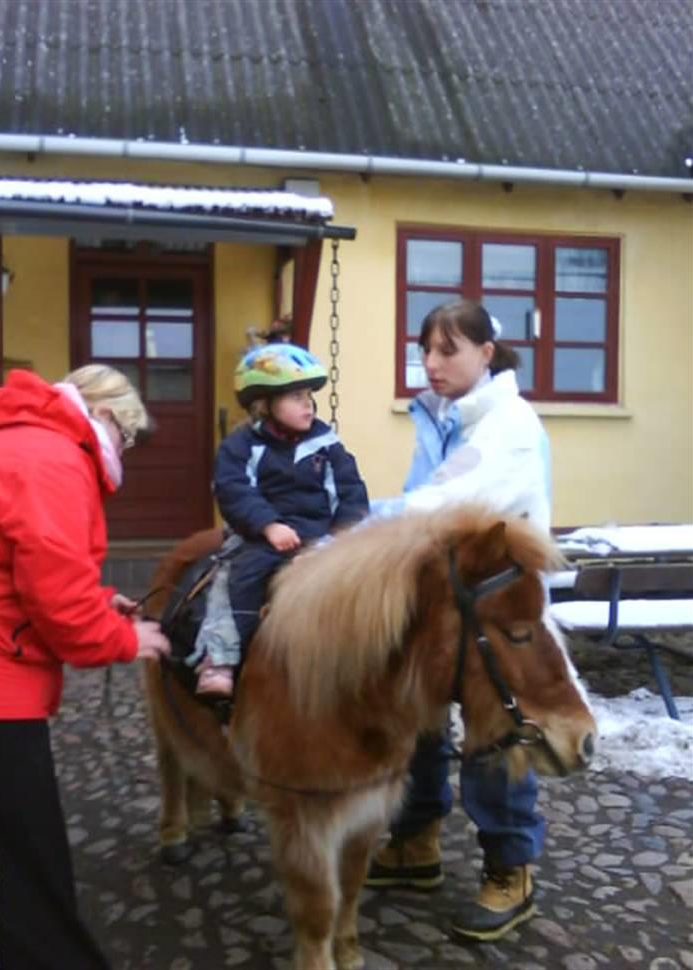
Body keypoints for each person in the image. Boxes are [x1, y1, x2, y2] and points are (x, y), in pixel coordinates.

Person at [0, 365, 170, 970]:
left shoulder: (5, 442)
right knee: (13, 861)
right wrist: (122, 637)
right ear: (105, 416)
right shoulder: (52, 458)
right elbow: (57, 602)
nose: (124, 453)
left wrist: (101, 601)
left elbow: (4, 567)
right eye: (128, 438)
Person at [365, 299, 551, 942]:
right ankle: (416, 842)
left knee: (492, 731)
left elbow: (445, 504)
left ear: (485, 354)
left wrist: (354, 529)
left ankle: (510, 868)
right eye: (426, 350)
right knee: (417, 713)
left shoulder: (509, 425)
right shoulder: (444, 415)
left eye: (448, 350)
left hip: (500, 604)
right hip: (446, 596)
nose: (432, 363)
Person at [193, 342, 369, 695]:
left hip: (321, 537)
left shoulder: (327, 445)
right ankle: (221, 656)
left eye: (309, 395)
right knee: (235, 578)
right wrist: (268, 525)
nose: (308, 403)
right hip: (261, 536)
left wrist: (338, 538)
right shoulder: (243, 446)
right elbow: (234, 489)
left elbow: (351, 493)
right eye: (295, 396)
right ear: (265, 404)